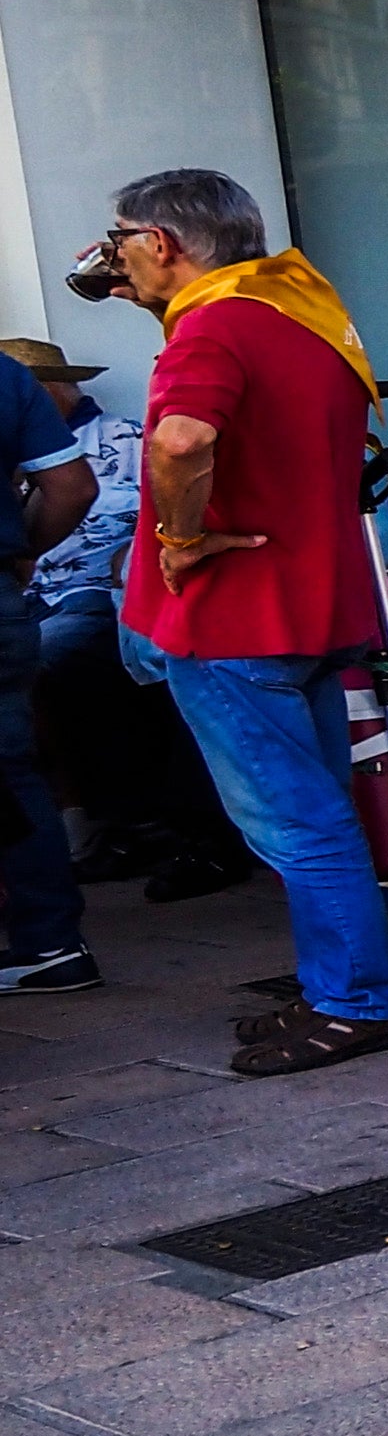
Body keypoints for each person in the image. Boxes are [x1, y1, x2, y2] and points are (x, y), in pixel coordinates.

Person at [95, 170, 388, 1072]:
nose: (114, 254)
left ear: (160, 241)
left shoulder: (212, 328)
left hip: (236, 618)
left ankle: (361, 1000)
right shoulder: (296, 314)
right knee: (318, 811)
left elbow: (183, 438)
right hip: (313, 603)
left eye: (121, 236)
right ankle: (339, 987)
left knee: (295, 824)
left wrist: (178, 537)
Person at [14, 335, 235, 908]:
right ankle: (97, 825)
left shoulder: (118, 439)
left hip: (88, 590)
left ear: (52, 392)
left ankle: (111, 825)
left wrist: (30, 554)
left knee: (50, 659)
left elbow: (134, 522)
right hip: (29, 592)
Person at [0, 334, 99, 992]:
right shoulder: (7, 379)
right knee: (11, 770)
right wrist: (19, 551)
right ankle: (50, 944)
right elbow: (70, 485)